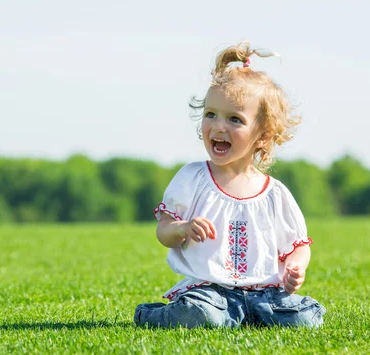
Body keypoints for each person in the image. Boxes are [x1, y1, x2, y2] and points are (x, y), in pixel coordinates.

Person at [134, 41, 326, 328]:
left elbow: (297, 244)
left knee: (304, 320)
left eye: (234, 119)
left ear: (263, 135)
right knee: (201, 315)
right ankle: (151, 315)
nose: (219, 126)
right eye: (211, 114)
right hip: (212, 293)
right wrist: (183, 229)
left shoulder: (275, 194)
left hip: (266, 294)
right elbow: (164, 231)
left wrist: (298, 266)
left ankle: (247, 317)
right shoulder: (193, 179)